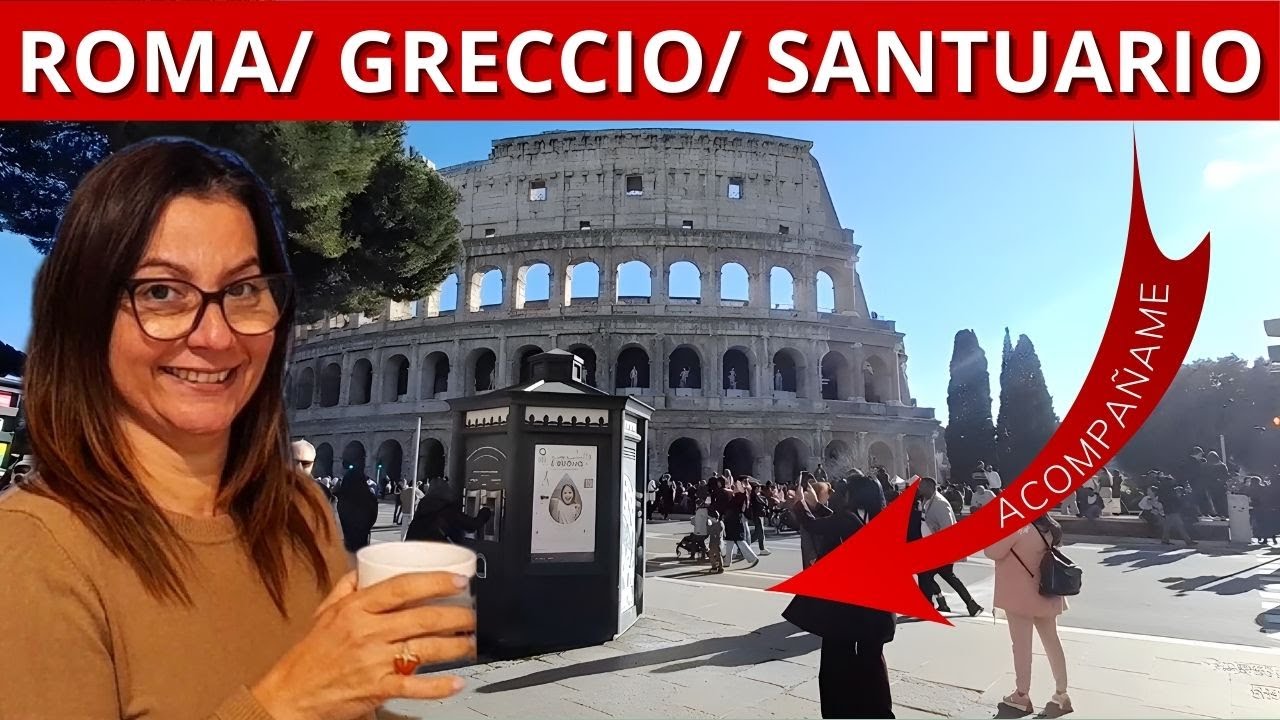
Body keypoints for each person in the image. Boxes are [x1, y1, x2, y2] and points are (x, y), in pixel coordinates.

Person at [0, 138, 474, 718]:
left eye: (244, 290)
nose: (215, 336)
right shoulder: (29, 556)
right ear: (85, 318)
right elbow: (310, 700)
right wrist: (289, 702)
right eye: (161, 292)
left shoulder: (297, 509)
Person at [784, 474, 896, 718]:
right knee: (872, 658)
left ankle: (838, 710)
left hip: (847, 606)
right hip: (879, 605)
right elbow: (841, 523)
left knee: (835, 656)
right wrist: (816, 506)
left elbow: (818, 526)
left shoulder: (847, 519)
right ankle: (878, 712)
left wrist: (801, 504)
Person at [984, 514, 1072, 717]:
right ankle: (1062, 692)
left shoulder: (1017, 527)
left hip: (1020, 596)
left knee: (1021, 646)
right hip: (1046, 592)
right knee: (1052, 642)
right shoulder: (1049, 527)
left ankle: (1021, 695)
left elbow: (991, 551)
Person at [917, 477, 983, 616]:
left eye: (922, 486)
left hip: (942, 549)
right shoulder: (928, 501)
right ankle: (970, 604)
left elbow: (948, 528)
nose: (919, 489)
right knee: (946, 576)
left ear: (930, 487)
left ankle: (941, 604)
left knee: (926, 575)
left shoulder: (940, 504)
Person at [336, 466, 379, 553]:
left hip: (344, 536)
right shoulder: (370, 498)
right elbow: (373, 516)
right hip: (362, 535)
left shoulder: (341, 497)